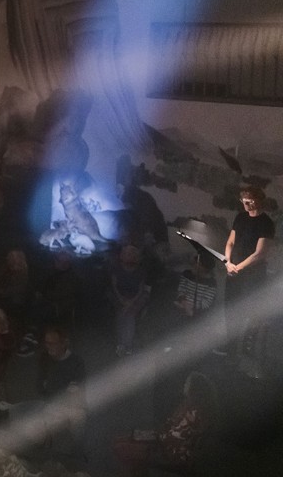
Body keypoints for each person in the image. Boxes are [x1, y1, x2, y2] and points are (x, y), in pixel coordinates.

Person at [112, 372, 217, 476]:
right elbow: (169, 426)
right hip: (165, 443)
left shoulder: (196, 412)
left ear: (195, 388)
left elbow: (176, 436)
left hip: (172, 454)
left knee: (121, 447)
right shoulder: (187, 404)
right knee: (121, 440)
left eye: (187, 383)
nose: (185, 385)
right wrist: (145, 436)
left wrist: (149, 439)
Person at [8, 327, 87, 459]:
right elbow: (40, 386)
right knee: (15, 412)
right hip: (51, 401)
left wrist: (54, 387)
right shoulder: (45, 358)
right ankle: (41, 447)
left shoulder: (76, 362)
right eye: (46, 342)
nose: (48, 346)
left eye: (53, 343)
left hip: (72, 405)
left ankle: (78, 450)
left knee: (78, 420)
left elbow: (76, 392)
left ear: (64, 343)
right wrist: (56, 388)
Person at [222, 186, 274, 376]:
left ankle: (246, 354)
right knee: (230, 311)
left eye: (249, 201)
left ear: (258, 200)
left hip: (251, 277)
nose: (245, 204)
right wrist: (228, 262)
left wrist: (239, 267)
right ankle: (230, 353)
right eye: (243, 200)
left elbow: (259, 253)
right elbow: (230, 242)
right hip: (233, 273)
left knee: (248, 313)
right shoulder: (240, 217)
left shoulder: (266, 223)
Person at [110, 245, 150, 357]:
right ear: (122, 256)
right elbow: (114, 287)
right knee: (121, 315)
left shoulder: (141, 271)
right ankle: (121, 344)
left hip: (135, 298)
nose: (130, 256)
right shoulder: (116, 268)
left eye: (133, 254)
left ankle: (126, 345)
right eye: (127, 254)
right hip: (119, 297)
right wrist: (122, 300)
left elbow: (141, 289)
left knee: (130, 315)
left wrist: (131, 302)